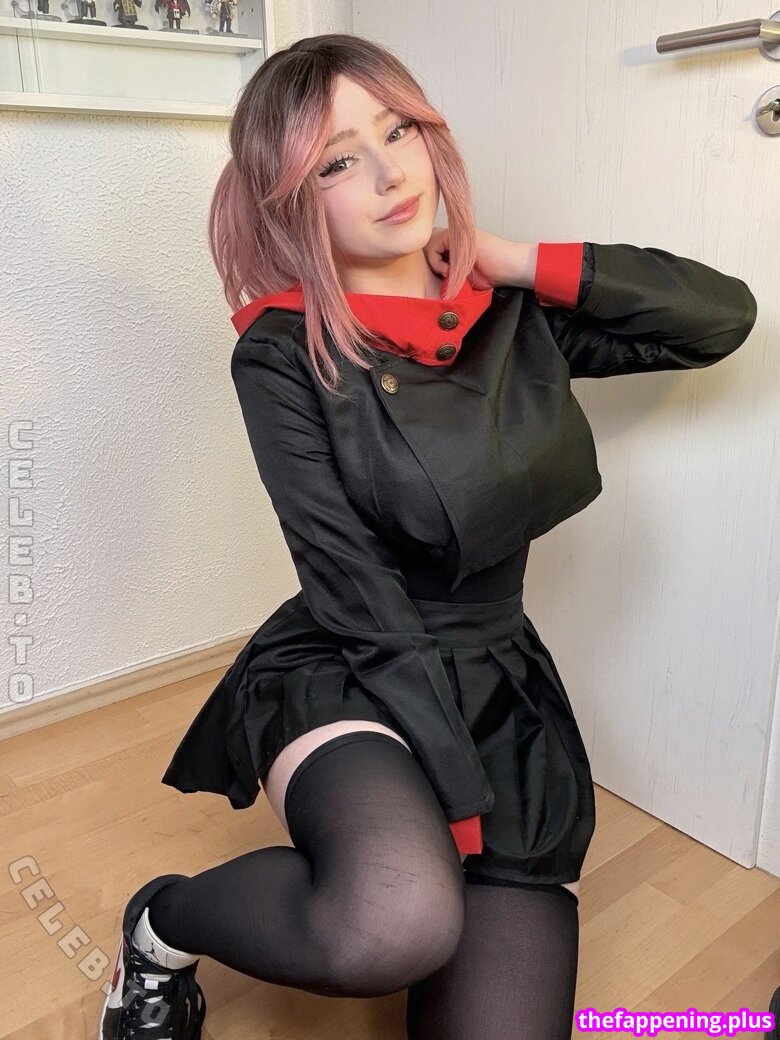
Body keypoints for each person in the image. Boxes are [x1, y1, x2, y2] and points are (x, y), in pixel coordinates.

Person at [97, 32, 758, 1040]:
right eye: (336, 162)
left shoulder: (509, 313)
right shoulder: (282, 349)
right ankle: (160, 925)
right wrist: (456, 802)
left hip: (498, 679)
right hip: (350, 658)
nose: (389, 172)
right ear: (293, 199)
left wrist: (513, 259)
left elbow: (720, 317)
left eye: (397, 130)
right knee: (395, 916)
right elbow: (350, 581)